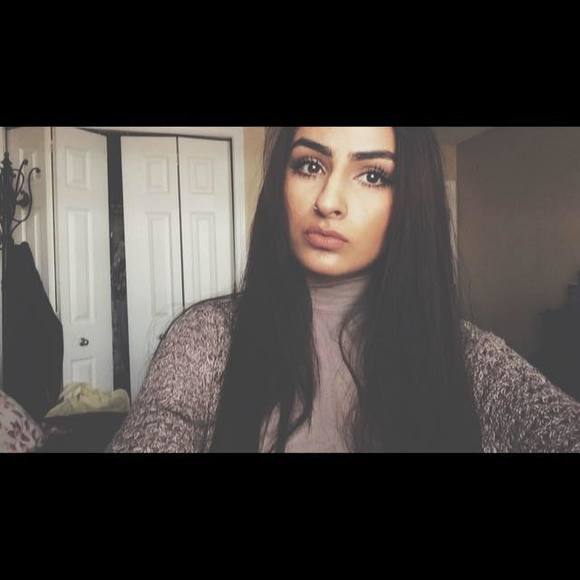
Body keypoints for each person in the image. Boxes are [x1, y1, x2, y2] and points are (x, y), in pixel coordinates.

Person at [109, 127, 580, 453]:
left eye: (373, 175)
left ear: (410, 200)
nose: (328, 201)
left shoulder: (468, 356)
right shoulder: (206, 336)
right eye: (310, 165)